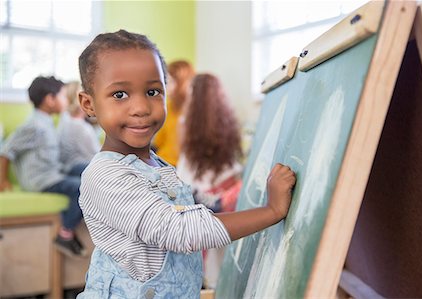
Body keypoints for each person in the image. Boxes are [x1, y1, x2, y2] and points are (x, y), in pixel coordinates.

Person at [76, 29, 296, 298]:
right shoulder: (104, 175)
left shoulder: (156, 165)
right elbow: (180, 231)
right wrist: (272, 210)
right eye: (120, 94)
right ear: (88, 104)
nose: (141, 107)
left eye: (153, 91)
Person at [0, 76, 87, 258]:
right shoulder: (34, 125)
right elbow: (7, 151)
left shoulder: (47, 121)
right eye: (63, 97)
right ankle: (65, 233)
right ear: (50, 100)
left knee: (84, 169)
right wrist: (3, 179)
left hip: (53, 172)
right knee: (81, 187)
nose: (65, 101)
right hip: (41, 180)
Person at [177, 73, 244, 288]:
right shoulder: (229, 124)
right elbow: (234, 173)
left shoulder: (184, 123)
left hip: (195, 197)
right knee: (222, 259)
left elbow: (185, 164)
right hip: (224, 200)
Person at [152, 60, 195, 166]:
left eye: (169, 81)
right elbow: (158, 141)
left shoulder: (193, 111)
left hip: (179, 168)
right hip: (163, 162)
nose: (165, 86)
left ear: (181, 83)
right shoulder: (168, 105)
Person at [58, 80, 101, 173]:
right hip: (77, 167)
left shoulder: (66, 118)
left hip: (67, 166)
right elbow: (97, 155)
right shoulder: (80, 126)